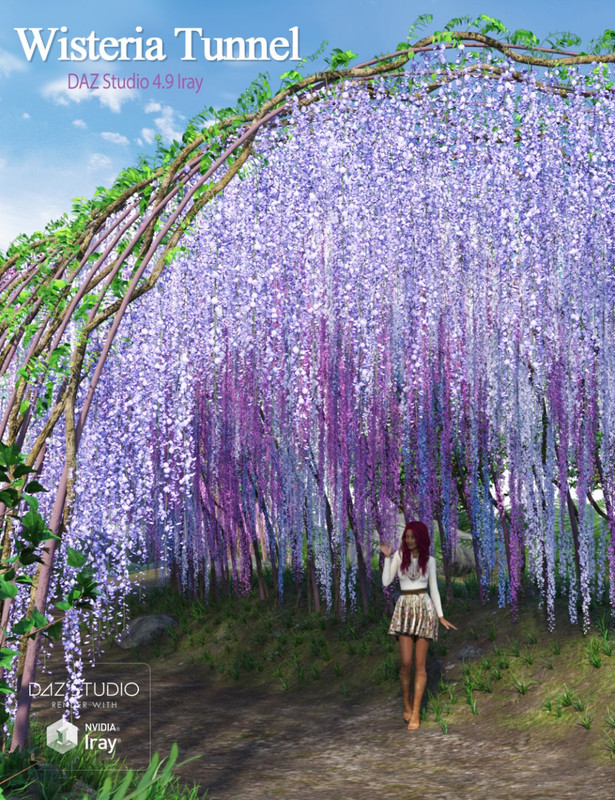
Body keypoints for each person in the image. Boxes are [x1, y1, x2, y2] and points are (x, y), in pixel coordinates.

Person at [380, 520, 457, 731]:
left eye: (413, 537)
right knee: (405, 663)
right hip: (404, 608)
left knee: (420, 665)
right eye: (407, 536)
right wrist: (387, 558)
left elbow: (434, 589)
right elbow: (386, 582)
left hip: (424, 609)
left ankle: (415, 712)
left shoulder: (429, 561)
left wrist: (440, 616)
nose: (409, 540)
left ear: (421, 538)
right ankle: (406, 700)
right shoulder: (399, 556)